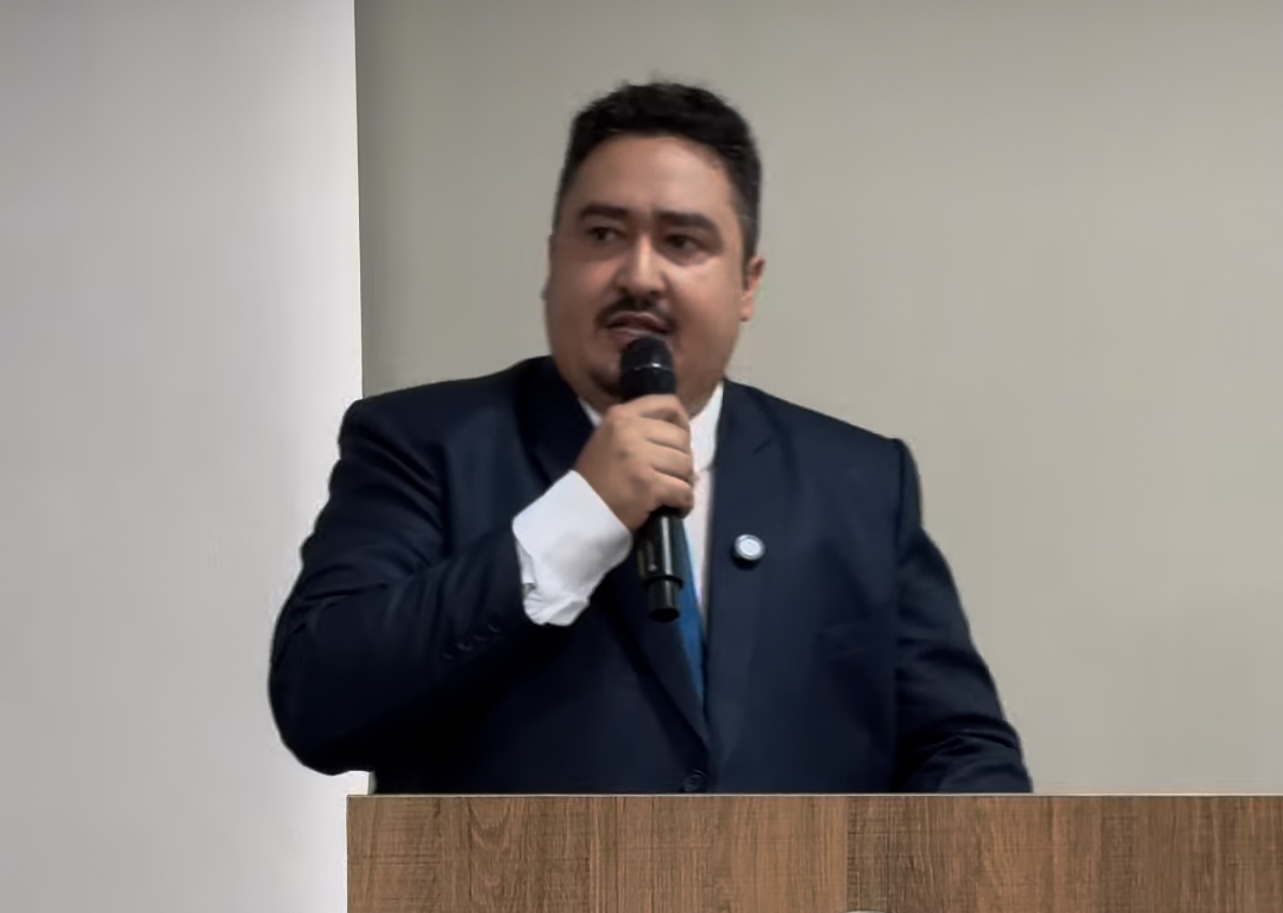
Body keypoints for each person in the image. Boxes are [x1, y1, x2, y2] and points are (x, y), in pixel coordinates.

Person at [267, 80, 1032, 794]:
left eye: (682, 242)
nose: (638, 274)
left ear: (747, 283)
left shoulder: (859, 482)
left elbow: (961, 748)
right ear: (553, 260)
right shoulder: (423, 446)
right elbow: (318, 700)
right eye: (603, 234)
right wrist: (581, 514)